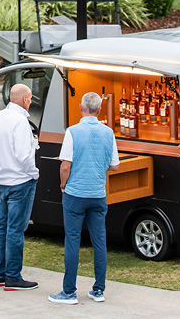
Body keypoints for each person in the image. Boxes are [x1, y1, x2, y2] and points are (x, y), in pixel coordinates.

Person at [48, 92, 119, 305]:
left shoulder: (73, 132)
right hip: (98, 194)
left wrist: (63, 185)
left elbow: (65, 165)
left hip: (75, 194)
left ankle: (69, 291)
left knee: (72, 240)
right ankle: (98, 290)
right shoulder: (109, 133)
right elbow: (115, 165)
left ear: (81, 108)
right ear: (98, 110)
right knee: (99, 242)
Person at [0, 83, 39, 291]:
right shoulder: (21, 122)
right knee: (16, 229)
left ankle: (0, 274)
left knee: (3, 228)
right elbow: (24, 155)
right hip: (20, 181)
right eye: (30, 98)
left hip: (1, 181)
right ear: (25, 99)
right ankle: (13, 276)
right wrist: (34, 173)